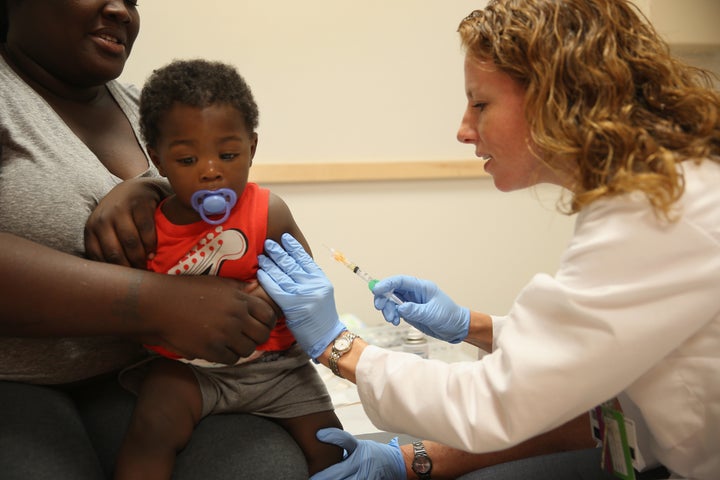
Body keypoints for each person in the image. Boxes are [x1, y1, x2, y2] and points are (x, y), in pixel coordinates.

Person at [256, 0, 720, 479]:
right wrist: (473, 326)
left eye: (480, 104)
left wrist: (339, 346)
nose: (463, 129)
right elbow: (580, 357)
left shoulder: (658, 217)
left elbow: (495, 403)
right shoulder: (656, 194)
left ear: (558, 96)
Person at [0, 1, 310, 479]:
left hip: (157, 374)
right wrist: (160, 304)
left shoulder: (155, 108)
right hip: (15, 381)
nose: (121, 10)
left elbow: (222, 194)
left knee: (265, 470)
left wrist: (153, 187)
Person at [113, 59, 343, 479]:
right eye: (186, 160)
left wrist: (271, 296)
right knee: (150, 428)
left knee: (333, 446)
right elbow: (132, 308)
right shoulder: (149, 229)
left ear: (252, 149)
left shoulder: (267, 212)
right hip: (188, 372)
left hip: (276, 368)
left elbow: (305, 279)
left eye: (229, 154)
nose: (211, 170)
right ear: (158, 160)